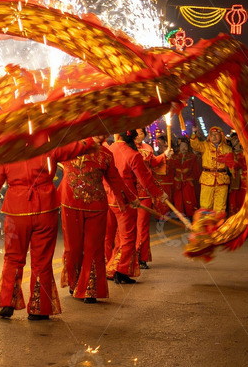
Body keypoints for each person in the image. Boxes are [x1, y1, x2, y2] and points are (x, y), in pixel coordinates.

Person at [0, 136, 93, 319]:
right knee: (42, 261)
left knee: (12, 258)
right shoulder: (50, 145)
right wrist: (88, 140)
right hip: (45, 209)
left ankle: (8, 301)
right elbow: (74, 149)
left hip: (17, 212)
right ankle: (39, 309)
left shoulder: (7, 151)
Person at [59, 135, 132, 304]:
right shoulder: (69, 148)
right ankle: (74, 282)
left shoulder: (106, 154)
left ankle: (89, 289)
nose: (101, 136)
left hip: (97, 207)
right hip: (70, 205)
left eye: (103, 131)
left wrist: (129, 197)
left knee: (93, 248)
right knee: (73, 249)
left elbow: (115, 179)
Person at [105, 131, 170, 284]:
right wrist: (159, 194)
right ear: (134, 138)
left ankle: (112, 267)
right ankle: (120, 271)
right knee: (128, 237)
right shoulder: (133, 154)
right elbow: (145, 178)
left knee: (117, 236)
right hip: (126, 200)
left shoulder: (109, 149)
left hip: (109, 199)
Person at [134, 129, 172, 269]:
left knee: (142, 226)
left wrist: (164, 155)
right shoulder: (127, 149)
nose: (139, 135)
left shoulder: (148, 148)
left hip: (144, 192)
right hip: (128, 193)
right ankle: (125, 258)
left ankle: (141, 257)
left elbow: (153, 163)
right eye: (136, 133)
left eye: (141, 133)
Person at [190, 126, 235, 213]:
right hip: (207, 179)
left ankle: (218, 225)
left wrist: (234, 177)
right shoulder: (205, 146)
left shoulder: (227, 149)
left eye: (216, 134)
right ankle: (206, 225)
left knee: (220, 206)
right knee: (205, 205)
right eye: (212, 135)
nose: (214, 137)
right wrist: (194, 133)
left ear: (221, 135)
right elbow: (195, 145)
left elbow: (232, 166)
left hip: (222, 180)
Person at [169, 138, 200, 218]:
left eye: (185, 146)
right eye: (182, 146)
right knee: (178, 199)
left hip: (188, 181)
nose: (184, 148)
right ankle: (180, 216)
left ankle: (191, 214)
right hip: (177, 181)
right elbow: (171, 168)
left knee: (189, 198)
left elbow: (196, 169)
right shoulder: (174, 157)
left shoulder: (192, 157)